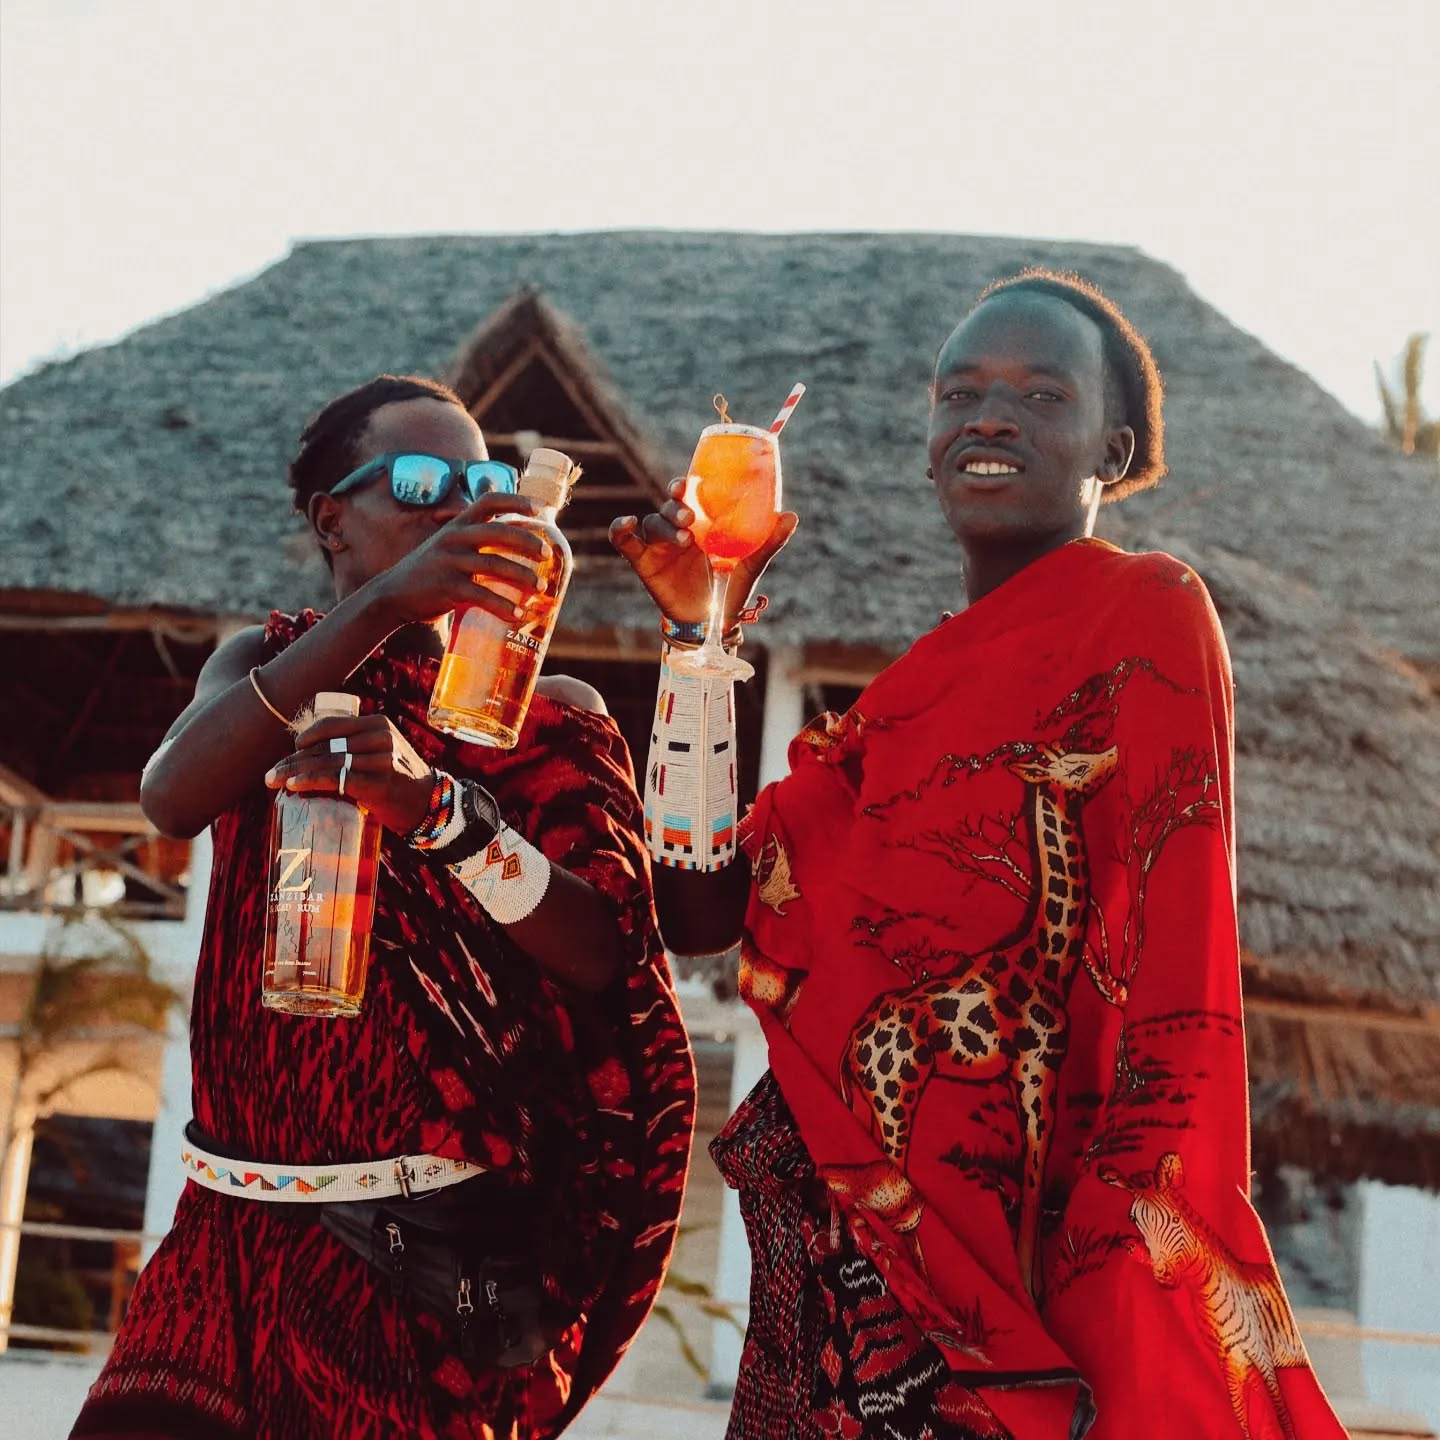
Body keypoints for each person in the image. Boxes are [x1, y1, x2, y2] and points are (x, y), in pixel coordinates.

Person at [610, 271, 1344, 1438]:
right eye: (961, 394)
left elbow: (1174, 975)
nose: (989, 417)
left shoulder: (1145, 613)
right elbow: (700, 913)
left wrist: (1122, 1296)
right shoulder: (889, 723)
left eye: (1040, 393)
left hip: (1015, 1303)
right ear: (930, 443)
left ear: (1113, 448)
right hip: (828, 1276)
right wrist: (700, 640)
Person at [73, 375, 695, 1440]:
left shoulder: (557, 720)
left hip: (420, 1261)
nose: (459, 504)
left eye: (484, 483)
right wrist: (387, 608)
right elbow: (172, 797)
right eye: (419, 482)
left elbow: (607, 952)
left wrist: (439, 811)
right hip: (224, 1235)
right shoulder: (260, 668)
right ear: (333, 520)